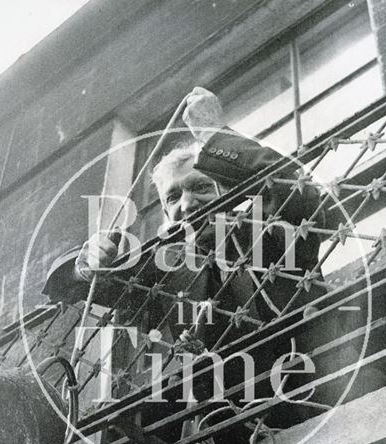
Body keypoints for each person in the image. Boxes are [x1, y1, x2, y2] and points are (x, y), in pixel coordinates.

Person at [43, 87, 327, 350]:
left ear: (230, 191)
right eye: (173, 197)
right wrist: (85, 265)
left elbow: (300, 193)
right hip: (216, 400)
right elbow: (67, 284)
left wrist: (214, 134)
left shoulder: (269, 228)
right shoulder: (164, 266)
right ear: (166, 213)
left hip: (310, 377)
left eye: (201, 187)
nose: (188, 205)